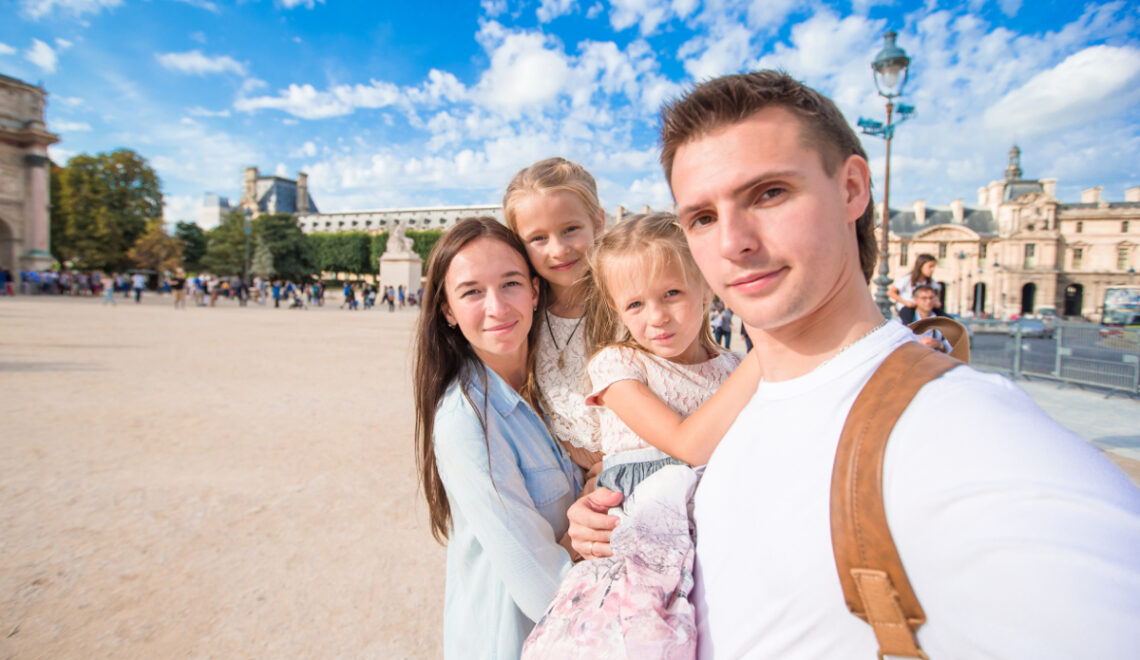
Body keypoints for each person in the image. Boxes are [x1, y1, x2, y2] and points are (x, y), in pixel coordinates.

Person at [569, 71, 1140, 657]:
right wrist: (611, 506)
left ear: (851, 189)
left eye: (768, 193)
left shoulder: (972, 439)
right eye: (703, 218)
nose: (732, 240)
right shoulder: (753, 392)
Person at [524, 213, 757, 657]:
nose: (656, 318)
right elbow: (687, 444)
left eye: (671, 293)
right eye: (635, 305)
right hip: (642, 545)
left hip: (719, 536)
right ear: (615, 308)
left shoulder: (731, 368)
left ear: (706, 287)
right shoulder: (616, 365)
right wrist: (767, 354)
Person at [414, 216, 582, 659]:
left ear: (534, 289)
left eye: (510, 284)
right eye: (471, 291)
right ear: (447, 310)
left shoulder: (558, 386)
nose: (497, 307)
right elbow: (543, 586)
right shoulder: (465, 422)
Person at [503, 157, 607, 473]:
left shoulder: (629, 306)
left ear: (598, 222)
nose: (558, 250)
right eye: (538, 238)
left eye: (570, 229)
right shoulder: (521, 317)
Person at [888, 253, 941, 324]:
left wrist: (936, 302)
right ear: (921, 266)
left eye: (934, 267)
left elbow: (936, 295)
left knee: (943, 317)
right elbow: (890, 292)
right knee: (909, 325)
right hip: (908, 308)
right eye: (930, 267)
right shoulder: (908, 279)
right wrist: (906, 302)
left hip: (923, 309)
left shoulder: (931, 282)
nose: (933, 270)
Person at [910, 284, 951, 353]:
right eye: (924, 298)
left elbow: (953, 347)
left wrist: (939, 345)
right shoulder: (905, 320)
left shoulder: (943, 321)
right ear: (915, 300)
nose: (928, 301)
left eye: (931, 298)